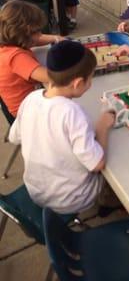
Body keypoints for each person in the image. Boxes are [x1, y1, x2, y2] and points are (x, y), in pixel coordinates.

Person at [9, 40, 115, 214]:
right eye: (90, 79)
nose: (90, 85)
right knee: (115, 176)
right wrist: (102, 127)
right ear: (78, 83)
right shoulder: (72, 113)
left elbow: (15, 137)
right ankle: (109, 201)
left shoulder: (31, 98)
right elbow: (97, 164)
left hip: (36, 191)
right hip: (71, 199)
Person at [0, 0, 62, 119]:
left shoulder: (10, 44)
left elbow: (38, 39)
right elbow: (51, 77)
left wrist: (56, 38)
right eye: (36, 31)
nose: (40, 34)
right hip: (26, 113)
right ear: (21, 33)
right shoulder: (16, 57)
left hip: (25, 103)